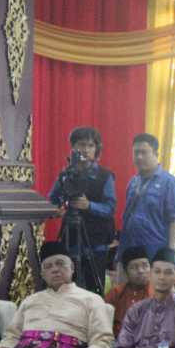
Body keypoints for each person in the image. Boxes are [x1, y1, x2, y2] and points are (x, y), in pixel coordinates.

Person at [0, 242, 113, 348]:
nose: (55, 269)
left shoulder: (91, 299)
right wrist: (4, 346)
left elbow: (103, 337)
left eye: (60, 264)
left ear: (72, 268)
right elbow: (13, 333)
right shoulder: (31, 300)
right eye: (48, 266)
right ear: (43, 274)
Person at [49, 126, 116, 296]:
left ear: (96, 149)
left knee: (93, 289)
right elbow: (52, 199)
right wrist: (56, 209)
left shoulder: (105, 176)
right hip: (70, 237)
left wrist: (89, 206)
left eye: (90, 145)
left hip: (96, 242)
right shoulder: (65, 175)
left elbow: (110, 208)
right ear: (73, 148)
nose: (85, 150)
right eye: (80, 144)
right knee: (66, 287)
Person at [117, 133, 175, 276]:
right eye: (136, 153)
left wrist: (170, 255)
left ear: (155, 154)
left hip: (155, 253)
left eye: (144, 153)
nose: (139, 157)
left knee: (152, 295)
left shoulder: (169, 182)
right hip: (130, 252)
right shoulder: (133, 182)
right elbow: (126, 219)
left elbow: (174, 221)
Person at [104, 246, 153, 337]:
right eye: (134, 267)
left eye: (145, 265)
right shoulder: (116, 293)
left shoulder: (158, 294)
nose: (141, 271)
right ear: (125, 272)